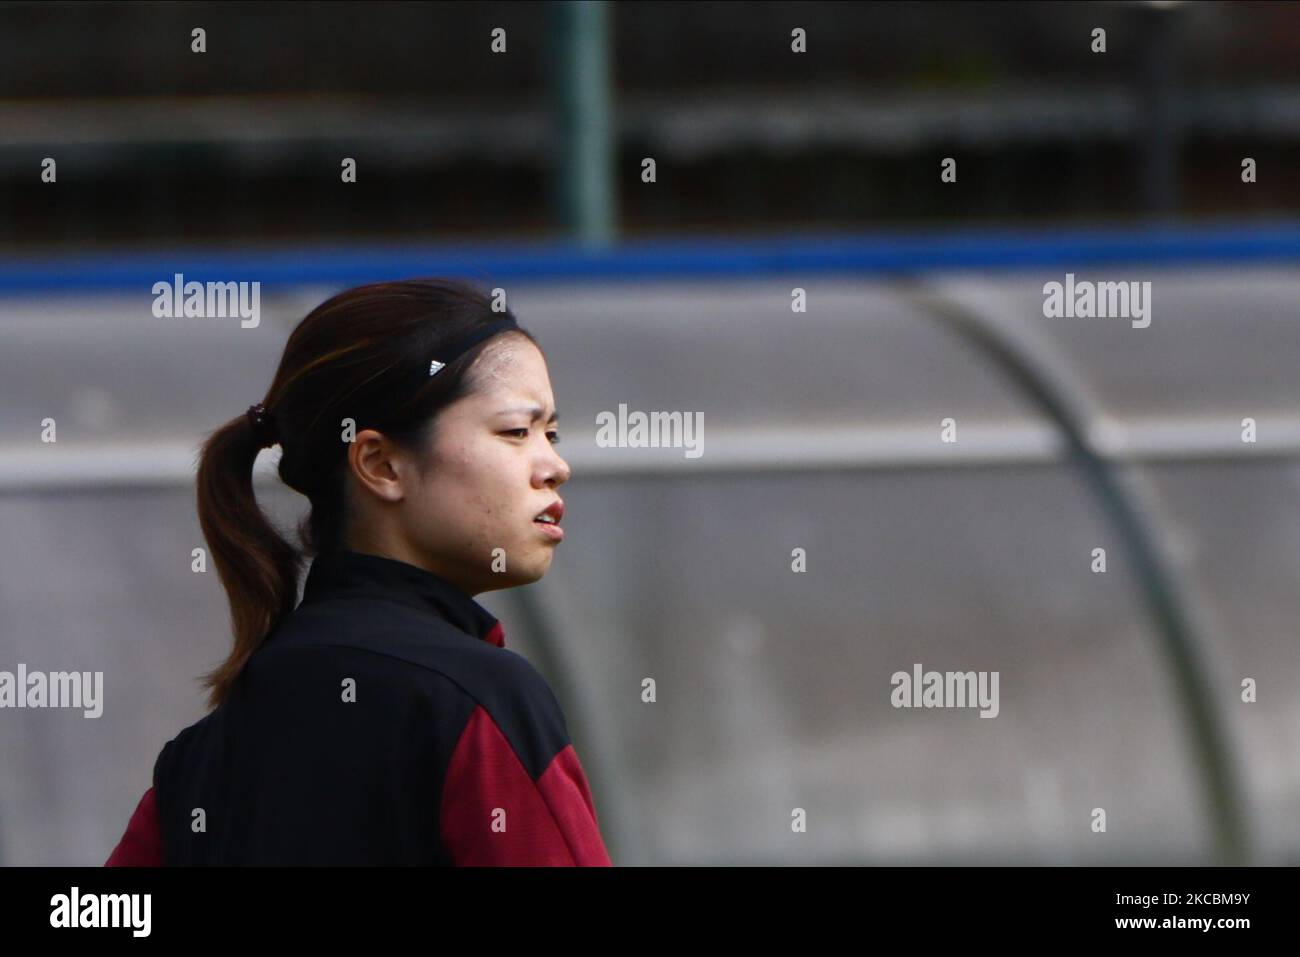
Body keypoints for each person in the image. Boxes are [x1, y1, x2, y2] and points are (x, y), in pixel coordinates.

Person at [104, 278, 611, 865]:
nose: (555, 465)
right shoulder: (477, 699)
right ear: (380, 463)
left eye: (551, 433)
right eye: (516, 431)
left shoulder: (204, 755)